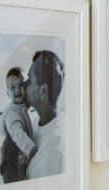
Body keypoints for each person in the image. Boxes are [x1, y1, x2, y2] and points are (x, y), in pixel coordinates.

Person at [24, 50, 65, 179]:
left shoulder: (54, 153)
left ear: (43, 91)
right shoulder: (36, 120)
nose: (24, 84)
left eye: (30, 80)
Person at [0, 67, 37, 184]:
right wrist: (31, 149)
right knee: (14, 180)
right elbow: (17, 133)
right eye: (13, 88)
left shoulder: (22, 106)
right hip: (11, 157)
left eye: (21, 85)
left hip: (19, 153)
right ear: (7, 93)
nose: (17, 90)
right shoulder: (12, 113)